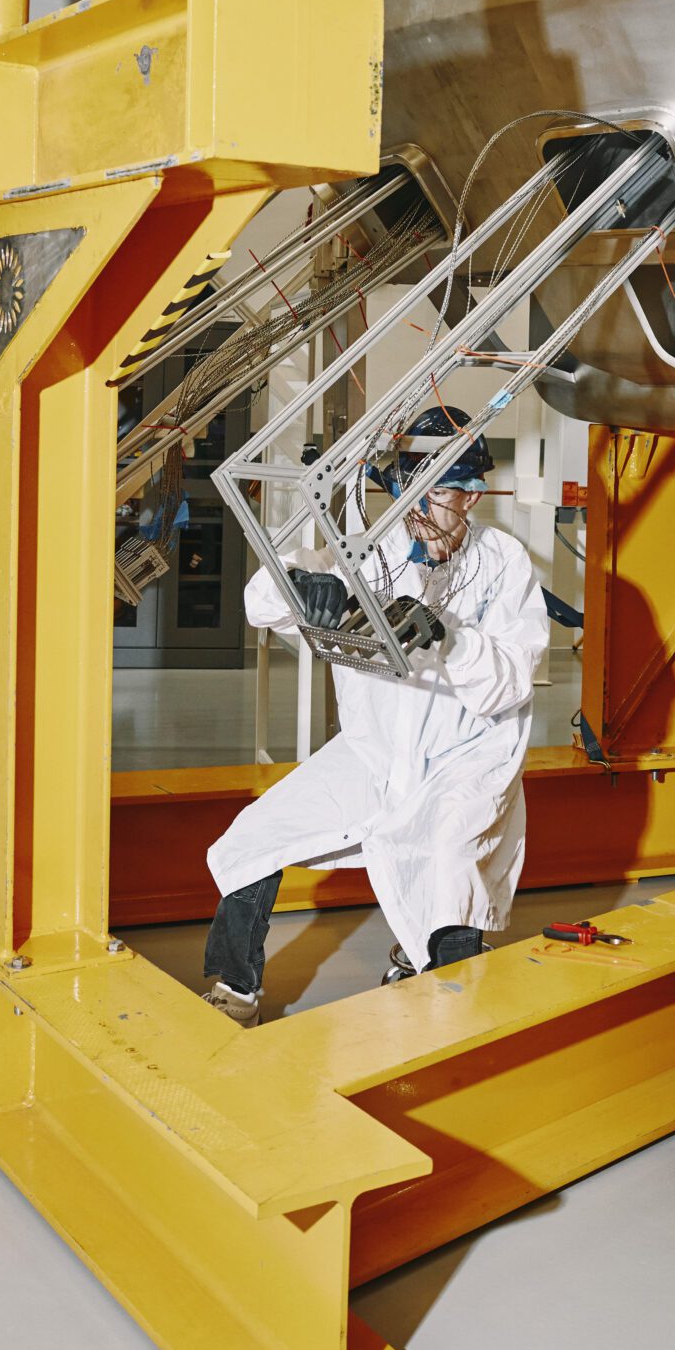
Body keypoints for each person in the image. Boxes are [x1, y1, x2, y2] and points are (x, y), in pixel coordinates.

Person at [202, 405, 550, 1025]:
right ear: (405, 487)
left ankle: (454, 1019)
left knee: (447, 867)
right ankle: (236, 991)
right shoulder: (364, 552)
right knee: (254, 837)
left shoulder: (504, 562)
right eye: (449, 490)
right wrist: (300, 586)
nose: (464, 508)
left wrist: (450, 637)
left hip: (467, 757)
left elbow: (510, 683)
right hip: (374, 752)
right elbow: (262, 602)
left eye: (473, 492)